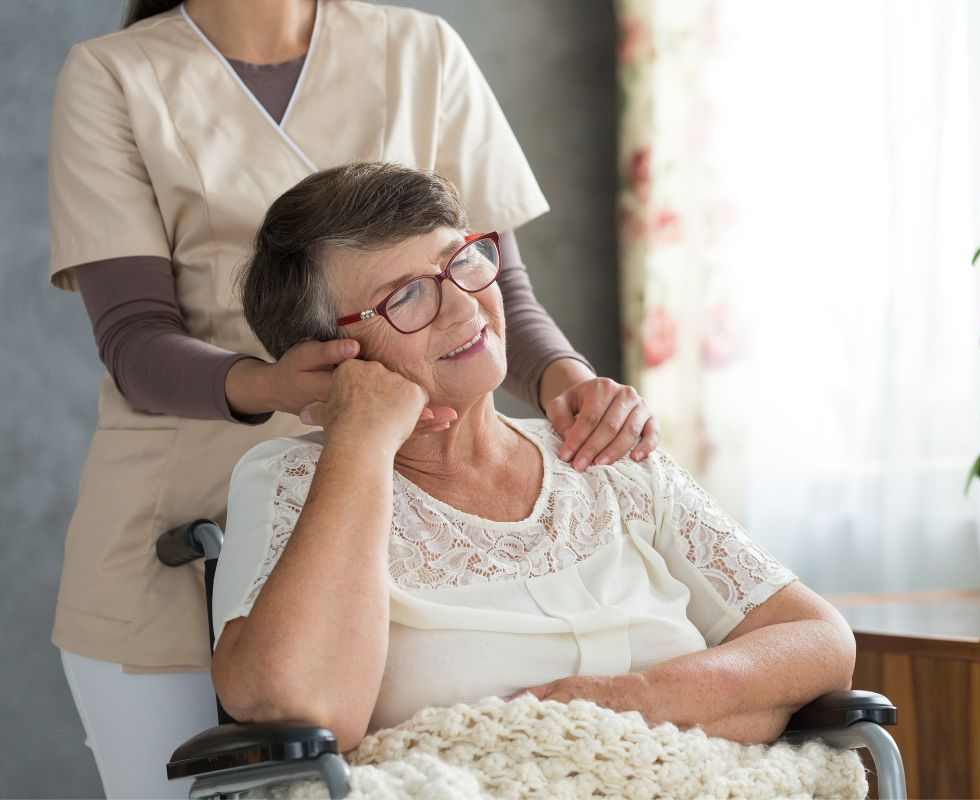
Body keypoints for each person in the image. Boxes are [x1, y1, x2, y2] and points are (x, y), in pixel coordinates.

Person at [47, 1, 657, 796]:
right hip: (173, 532)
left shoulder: (421, 50)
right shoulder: (114, 75)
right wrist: (278, 386)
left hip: (409, 520)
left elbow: (493, 282)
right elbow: (135, 339)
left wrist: (567, 383)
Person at [210, 162, 857, 754]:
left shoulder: (608, 453)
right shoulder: (293, 481)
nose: (466, 306)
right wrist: (360, 439)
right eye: (405, 296)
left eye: (461, 261)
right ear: (329, 356)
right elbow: (302, 704)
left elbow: (820, 642)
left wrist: (638, 702)